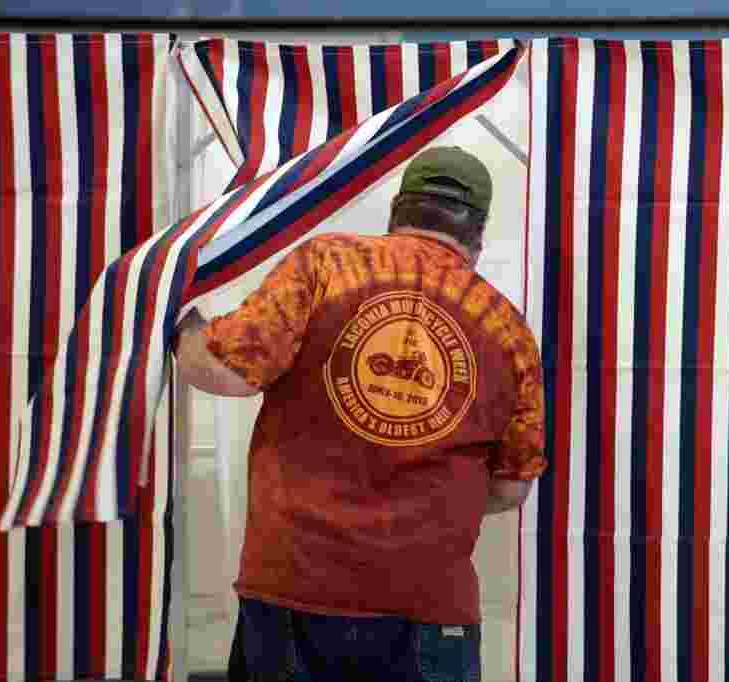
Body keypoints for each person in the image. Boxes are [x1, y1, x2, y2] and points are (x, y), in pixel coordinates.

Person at [173, 146, 547, 681]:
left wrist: (178, 318)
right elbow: (512, 489)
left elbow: (224, 371)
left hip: (296, 588)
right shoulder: (508, 330)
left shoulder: (326, 265)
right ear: (478, 235)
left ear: (397, 210)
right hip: (428, 610)